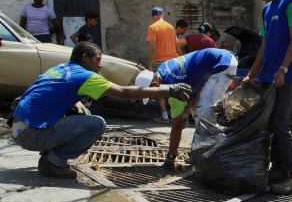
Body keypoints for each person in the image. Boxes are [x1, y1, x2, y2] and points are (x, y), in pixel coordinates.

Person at [10, 42, 191, 179]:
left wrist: (75, 104)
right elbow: (124, 92)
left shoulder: (60, 69)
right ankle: (52, 163)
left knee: (83, 113)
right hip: (32, 135)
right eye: (97, 60)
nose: (99, 65)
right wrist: (169, 89)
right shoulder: (85, 76)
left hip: (19, 128)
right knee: (96, 124)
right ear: (85, 58)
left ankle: (49, 157)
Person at [243, 0, 292, 195]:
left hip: (285, 76)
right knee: (269, 125)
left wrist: (284, 69)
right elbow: (264, 44)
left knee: (280, 124)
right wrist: (251, 74)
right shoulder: (267, 9)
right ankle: (278, 170)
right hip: (268, 77)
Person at [151, 48, 238, 170]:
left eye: (154, 95)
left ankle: (211, 156)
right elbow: (192, 92)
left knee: (205, 113)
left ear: (155, 85)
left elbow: (177, 126)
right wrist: (186, 112)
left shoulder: (174, 85)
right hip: (217, 60)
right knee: (197, 110)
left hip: (222, 63)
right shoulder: (163, 69)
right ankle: (203, 152)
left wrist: (170, 159)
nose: (157, 99)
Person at [146, 7, 179, 123]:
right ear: (163, 15)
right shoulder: (171, 27)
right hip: (174, 62)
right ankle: (176, 115)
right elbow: (177, 45)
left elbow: (153, 47)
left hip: (160, 62)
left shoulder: (153, 27)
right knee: (173, 89)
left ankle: (165, 116)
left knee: (158, 89)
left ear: (153, 17)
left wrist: (150, 63)